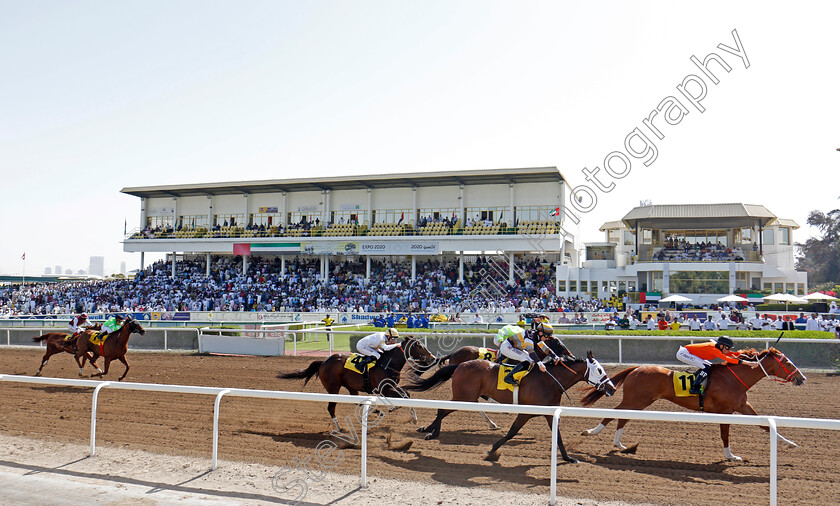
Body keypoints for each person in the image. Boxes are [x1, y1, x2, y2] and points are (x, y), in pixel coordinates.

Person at [676, 336, 758, 394]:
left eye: (729, 348)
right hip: (684, 353)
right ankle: (694, 388)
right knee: (707, 367)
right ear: (721, 346)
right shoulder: (714, 349)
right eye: (727, 348)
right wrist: (748, 363)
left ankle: (697, 380)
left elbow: (733, 353)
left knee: (709, 367)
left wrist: (750, 352)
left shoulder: (719, 347)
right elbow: (728, 359)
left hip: (689, 353)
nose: (728, 350)